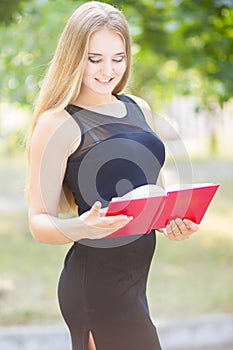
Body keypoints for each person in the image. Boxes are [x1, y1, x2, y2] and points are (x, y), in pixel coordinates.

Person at [27, 2, 199, 350]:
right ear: (74, 57)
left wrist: (172, 222)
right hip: (95, 284)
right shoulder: (58, 122)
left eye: (117, 58)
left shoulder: (139, 108)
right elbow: (38, 223)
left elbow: (152, 196)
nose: (108, 70)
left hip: (135, 281)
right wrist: (83, 227)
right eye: (95, 59)